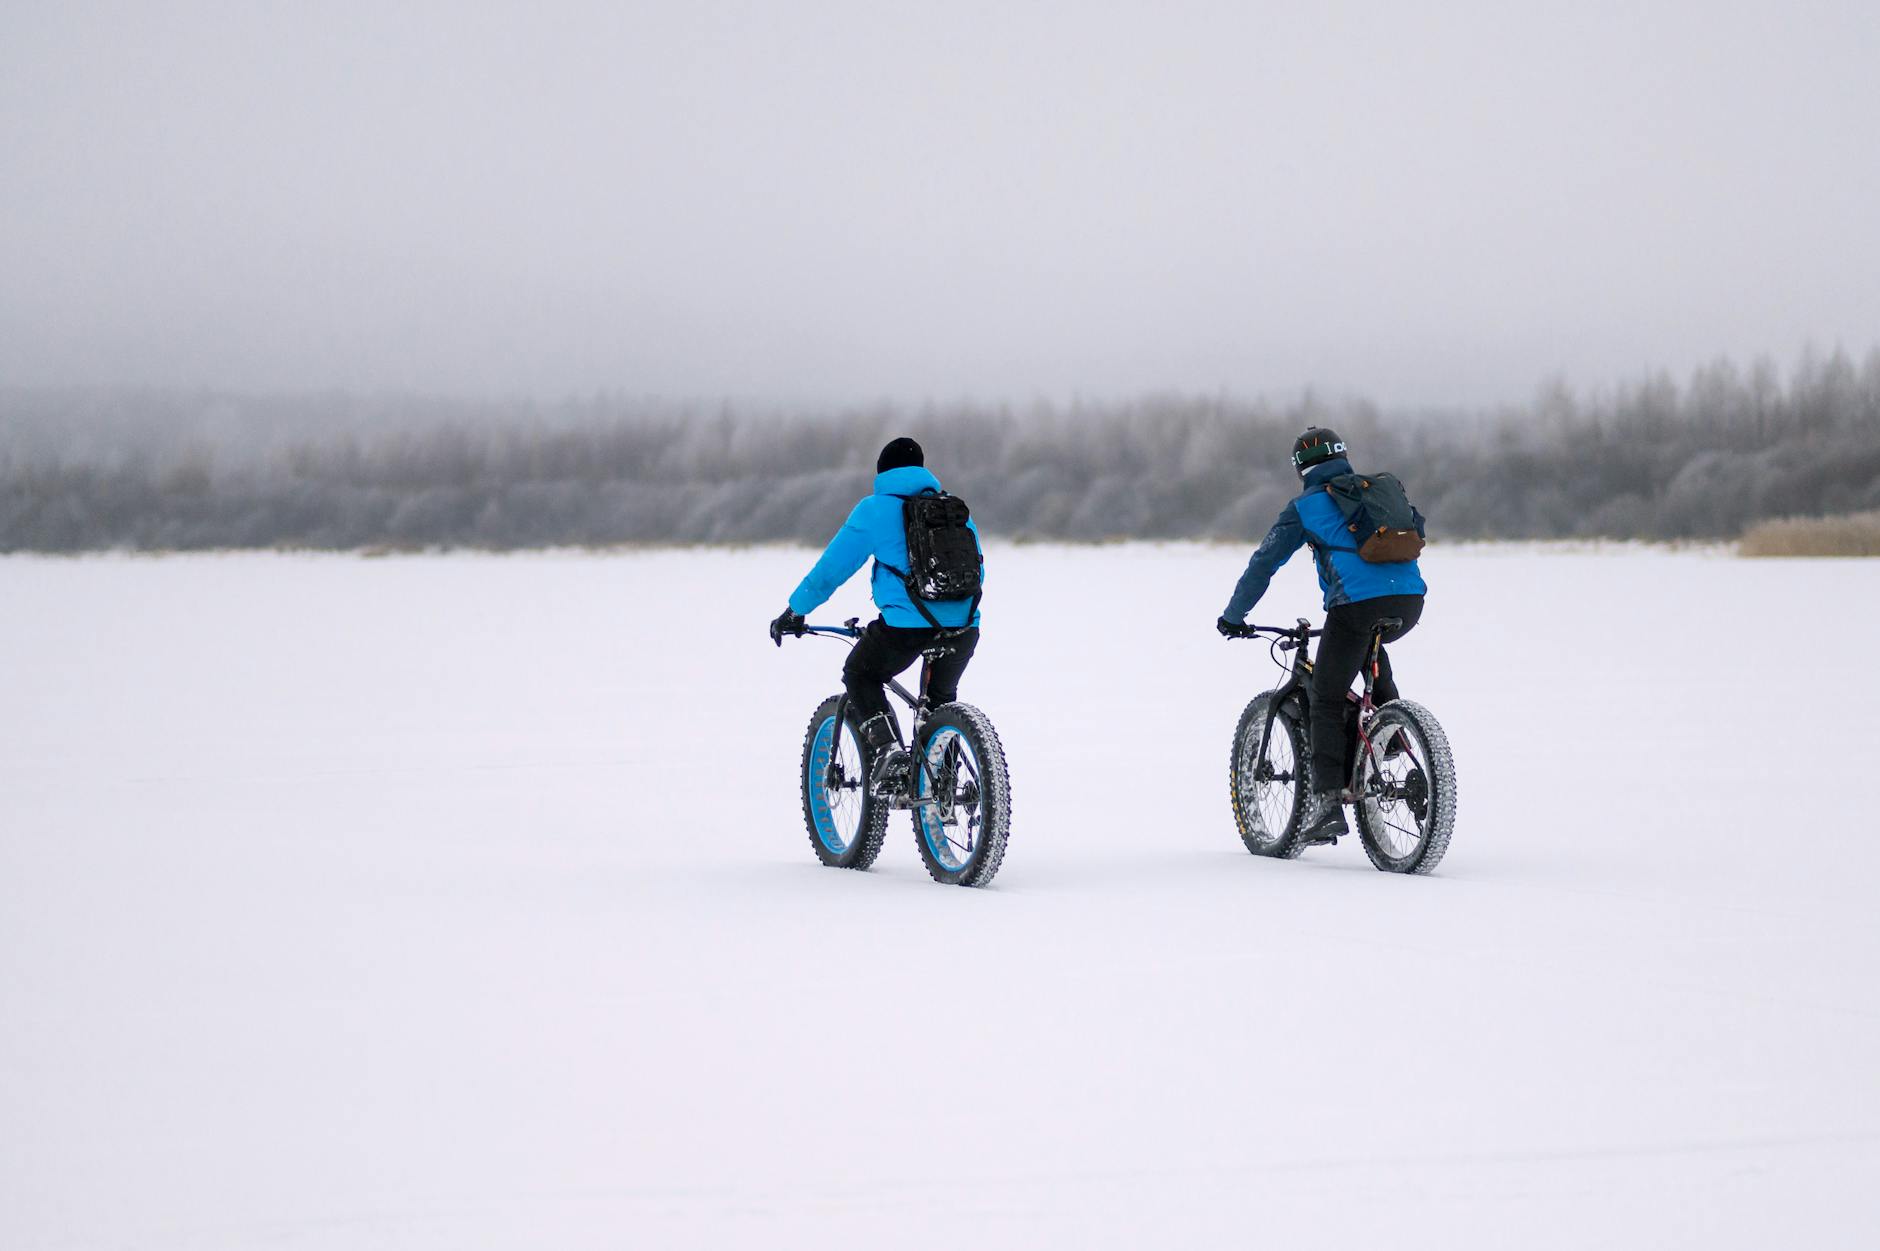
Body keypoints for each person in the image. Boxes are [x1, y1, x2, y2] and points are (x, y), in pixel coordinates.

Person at [1216, 427, 1426, 845]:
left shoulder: (1306, 506)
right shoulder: (1375, 492)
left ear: (1300, 468)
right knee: (1369, 657)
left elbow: (1264, 563)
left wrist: (1234, 615)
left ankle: (1328, 804)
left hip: (1353, 607)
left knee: (1325, 695)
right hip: (1410, 601)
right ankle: (1393, 734)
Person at [769, 437, 983, 793]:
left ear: (883, 472)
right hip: (963, 629)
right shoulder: (954, 511)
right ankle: (943, 781)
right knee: (939, 702)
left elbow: (829, 572)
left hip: (906, 629)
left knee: (860, 672)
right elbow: (977, 570)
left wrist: (795, 611)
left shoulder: (874, 510)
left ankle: (888, 753)